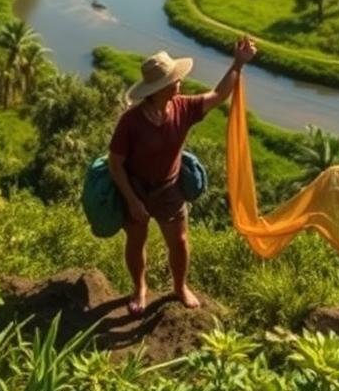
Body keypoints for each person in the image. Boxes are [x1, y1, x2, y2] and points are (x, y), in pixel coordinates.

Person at [109, 36, 257, 315]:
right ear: (160, 88)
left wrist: (238, 63)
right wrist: (131, 200)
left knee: (179, 241)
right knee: (136, 240)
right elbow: (115, 164)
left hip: (169, 189)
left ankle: (179, 287)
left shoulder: (183, 107)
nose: (181, 83)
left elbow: (218, 95)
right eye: (176, 80)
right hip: (136, 188)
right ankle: (139, 288)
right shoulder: (131, 121)